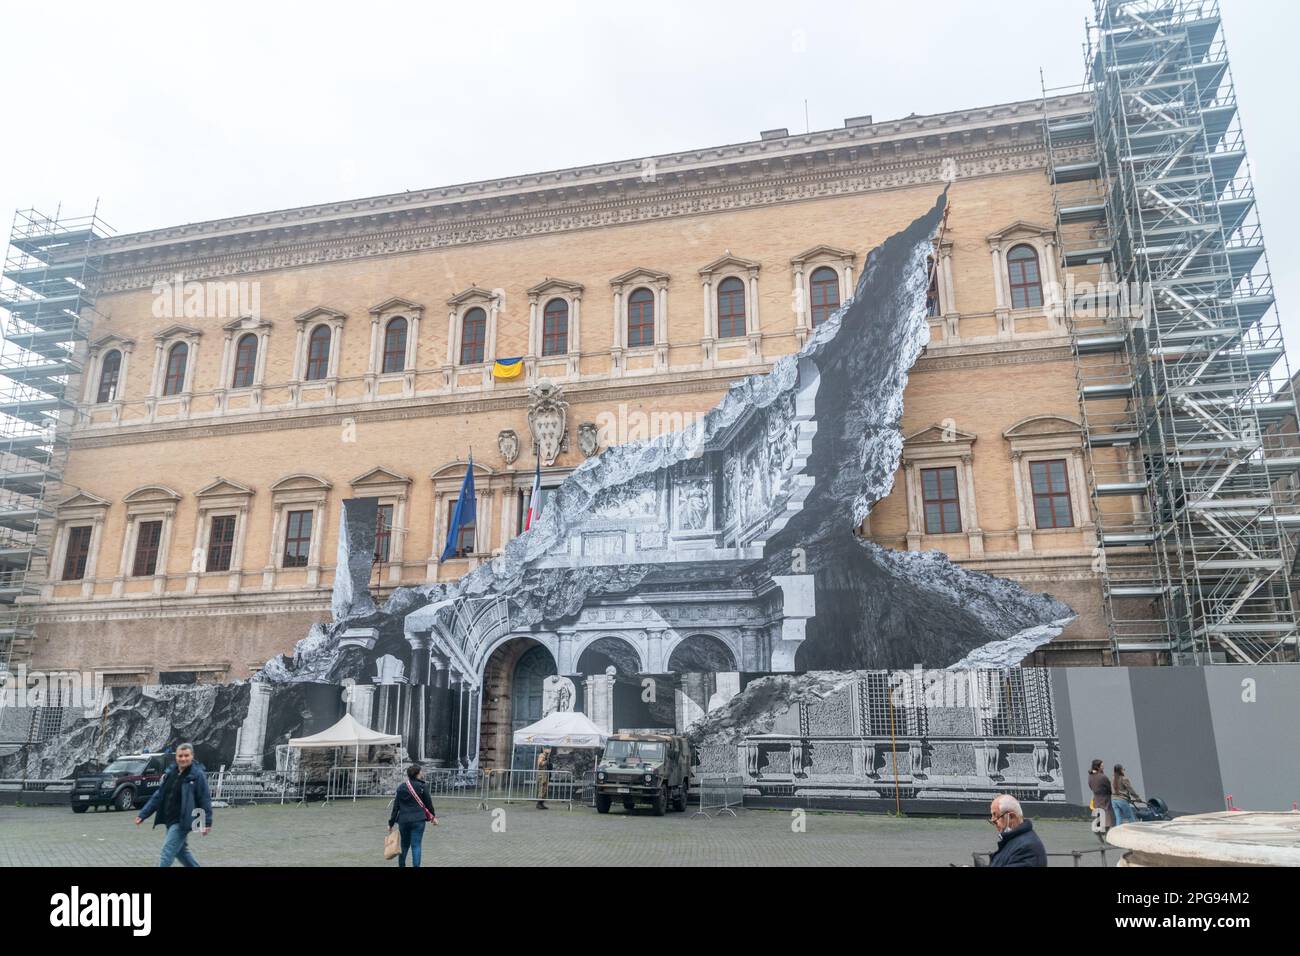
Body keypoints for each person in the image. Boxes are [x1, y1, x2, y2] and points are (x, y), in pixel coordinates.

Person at [134, 742, 213, 867]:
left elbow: (204, 799)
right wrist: (143, 814)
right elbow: (159, 795)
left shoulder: (197, 775)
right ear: (176, 757)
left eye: (186, 755)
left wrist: (206, 822)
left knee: (167, 851)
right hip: (169, 819)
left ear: (192, 756)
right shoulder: (171, 772)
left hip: (183, 820)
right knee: (181, 852)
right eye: (180, 756)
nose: (183, 759)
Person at [387, 763, 437, 868]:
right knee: (416, 845)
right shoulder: (422, 786)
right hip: (418, 820)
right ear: (417, 774)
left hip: (403, 820)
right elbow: (429, 804)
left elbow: (396, 807)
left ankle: (401, 865)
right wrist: (433, 817)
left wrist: (391, 823)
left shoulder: (401, 787)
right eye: (421, 771)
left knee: (404, 845)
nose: (422, 773)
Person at [986, 794, 1047, 867]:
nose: (994, 823)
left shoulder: (1027, 848)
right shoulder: (1016, 842)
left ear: (1011, 817)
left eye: (996, 817)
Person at [1087, 758, 1114, 830]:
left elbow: (1090, 785)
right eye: (1102, 765)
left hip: (1096, 797)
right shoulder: (1102, 777)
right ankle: (1109, 828)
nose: (1103, 766)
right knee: (1107, 812)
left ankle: (1100, 828)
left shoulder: (1090, 776)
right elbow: (1109, 787)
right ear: (1098, 767)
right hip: (1105, 797)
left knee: (1099, 813)